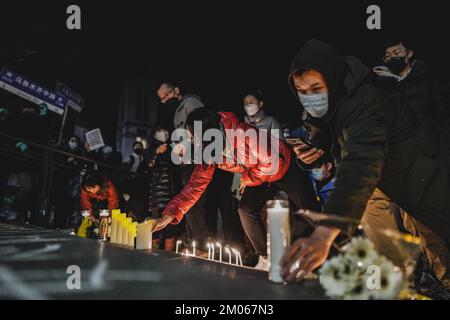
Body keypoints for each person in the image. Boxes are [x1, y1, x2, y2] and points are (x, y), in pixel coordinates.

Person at [280, 39, 450, 291]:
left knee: (435, 237)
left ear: (333, 79)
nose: (309, 97)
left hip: (424, 169)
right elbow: (334, 148)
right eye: (302, 91)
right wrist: (316, 156)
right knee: (373, 215)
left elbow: (361, 159)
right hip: (387, 178)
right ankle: (401, 281)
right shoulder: (325, 111)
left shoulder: (364, 101)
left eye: (316, 88)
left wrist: (326, 232)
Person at [153, 108, 320, 270]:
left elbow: (271, 162)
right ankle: (266, 257)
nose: (192, 143)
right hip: (257, 174)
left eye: (194, 138)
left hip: (284, 167)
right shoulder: (208, 151)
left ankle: (324, 254)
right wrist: (170, 215)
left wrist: (248, 178)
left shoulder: (242, 134)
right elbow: (195, 184)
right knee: (245, 209)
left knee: (309, 210)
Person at [156, 82, 209, 249]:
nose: (164, 101)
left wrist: (185, 145)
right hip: (186, 160)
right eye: (161, 99)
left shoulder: (191, 104)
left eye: (166, 96)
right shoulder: (177, 112)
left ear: (176, 90)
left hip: (197, 160)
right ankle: (192, 242)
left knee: (194, 204)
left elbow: (201, 129)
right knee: (187, 204)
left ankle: (200, 245)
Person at [373, 40, 450, 134]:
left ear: (409, 54)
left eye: (397, 52)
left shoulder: (428, 79)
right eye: (388, 55)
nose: (392, 57)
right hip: (393, 141)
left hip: (424, 137)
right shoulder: (380, 84)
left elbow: (442, 113)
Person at [147, 126, 183, 251]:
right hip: (157, 195)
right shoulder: (151, 149)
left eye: (165, 132)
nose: (163, 134)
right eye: (159, 132)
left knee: (171, 229)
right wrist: (155, 153)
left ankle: (168, 256)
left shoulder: (173, 146)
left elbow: (180, 164)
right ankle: (152, 253)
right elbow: (148, 165)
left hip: (172, 192)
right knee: (155, 226)